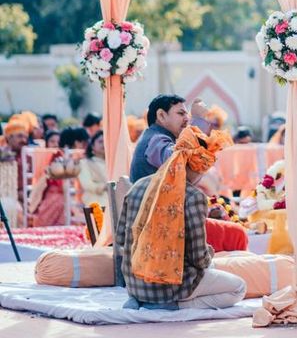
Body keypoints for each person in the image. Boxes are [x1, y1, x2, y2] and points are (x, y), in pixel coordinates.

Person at [116, 126, 245, 310]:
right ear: (201, 167)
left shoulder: (138, 185)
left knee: (210, 268)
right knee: (238, 288)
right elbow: (198, 257)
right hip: (170, 287)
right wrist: (210, 254)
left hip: (134, 284)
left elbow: (120, 238)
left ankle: (141, 301)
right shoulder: (193, 196)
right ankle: (174, 306)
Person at [130, 95, 190, 183]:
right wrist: (198, 122)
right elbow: (178, 164)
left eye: (186, 114)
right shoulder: (156, 139)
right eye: (181, 113)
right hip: (151, 197)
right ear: (161, 115)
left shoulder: (153, 135)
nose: (187, 119)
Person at [79, 131, 108, 210]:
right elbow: (87, 184)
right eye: (100, 142)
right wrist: (105, 187)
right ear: (92, 146)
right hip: (95, 203)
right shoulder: (84, 163)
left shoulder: (112, 164)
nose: (103, 144)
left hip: (113, 203)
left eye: (106, 141)